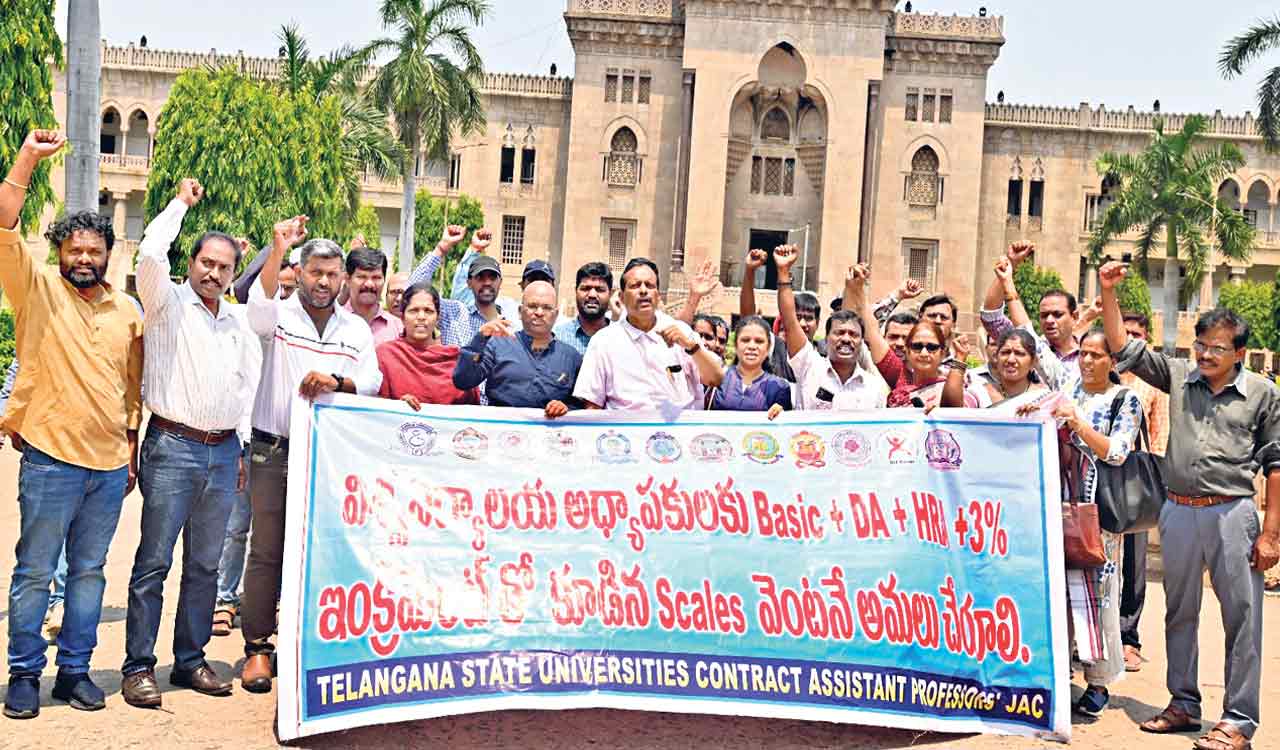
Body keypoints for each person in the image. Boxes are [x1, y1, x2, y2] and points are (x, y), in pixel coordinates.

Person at [1099, 261, 1280, 750]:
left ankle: (1239, 721)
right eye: (1200, 345)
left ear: (1239, 353)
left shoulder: (1262, 393)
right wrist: (1107, 292)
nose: (1204, 354)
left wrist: (1271, 533)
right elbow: (1124, 349)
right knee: (1179, 611)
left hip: (1233, 513)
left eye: (1216, 348)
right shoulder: (1179, 376)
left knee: (1242, 618)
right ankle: (1183, 704)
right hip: (1177, 511)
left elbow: (1277, 463)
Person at [0, 131, 144, 719]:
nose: (83, 259)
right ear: (58, 251)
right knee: (35, 572)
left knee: (88, 574)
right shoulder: (36, 291)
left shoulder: (127, 310)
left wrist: (130, 450)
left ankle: (75, 672)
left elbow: (131, 391)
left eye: (94, 251)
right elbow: (5, 225)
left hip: (108, 470)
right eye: (73, 250)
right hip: (50, 459)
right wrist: (28, 159)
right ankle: (25, 674)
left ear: (110, 253)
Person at [120, 178, 263, 707]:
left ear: (231, 273)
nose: (214, 272)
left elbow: (246, 387)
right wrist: (181, 202)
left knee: (204, 564)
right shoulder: (165, 302)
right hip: (172, 447)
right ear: (192, 262)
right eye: (207, 262)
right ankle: (139, 667)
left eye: (225, 267)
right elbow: (151, 250)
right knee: (154, 560)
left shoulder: (237, 320)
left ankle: (189, 659)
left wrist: (242, 447)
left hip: (224, 452)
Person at [240, 218, 382, 693]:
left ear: (343, 278)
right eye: (315, 272)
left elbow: (372, 382)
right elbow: (255, 306)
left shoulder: (356, 330)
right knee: (267, 551)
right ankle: (259, 648)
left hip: (331, 457)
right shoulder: (277, 315)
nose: (323, 282)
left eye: (332, 274)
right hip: (274, 450)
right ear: (299, 273)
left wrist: (335, 382)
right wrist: (277, 246)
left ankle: (310, 646)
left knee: (323, 551)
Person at [1051, 330, 1141, 716]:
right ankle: (1063, 672)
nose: (1086, 361)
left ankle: (1099, 682)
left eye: (1095, 355)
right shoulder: (1068, 387)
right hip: (1059, 502)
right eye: (1082, 353)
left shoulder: (1125, 399)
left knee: (1099, 594)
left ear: (1113, 361)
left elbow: (1118, 453)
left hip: (1098, 512)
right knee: (1060, 592)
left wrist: (1078, 425)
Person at [574, 258, 720, 412]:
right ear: (622, 297)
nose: (643, 291)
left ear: (658, 295)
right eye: (635, 286)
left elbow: (714, 379)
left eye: (650, 285)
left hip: (679, 431)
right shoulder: (603, 341)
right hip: (625, 432)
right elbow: (592, 405)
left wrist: (691, 347)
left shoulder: (682, 333)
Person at [1116, 310, 1168, 674]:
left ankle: (1128, 638)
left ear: (1145, 340)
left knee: (1134, 564)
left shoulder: (1153, 384)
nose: (1130, 339)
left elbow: (1159, 434)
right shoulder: (1101, 373)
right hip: (1098, 478)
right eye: (1125, 333)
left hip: (1136, 479)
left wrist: (1159, 484)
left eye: (1137, 334)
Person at [453, 281, 582, 417]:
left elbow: (581, 407)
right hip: (500, 432)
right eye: (532, 306)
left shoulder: (571, 357)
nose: (539, 312)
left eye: (546, 308)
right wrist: (479, 339)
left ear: (555, 315)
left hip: (549, 435)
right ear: (520, 312)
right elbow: (463, 381)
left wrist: (565, 407)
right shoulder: (497, 345)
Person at [779, 252, 886, 411]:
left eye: (854, 334)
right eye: (839, 333)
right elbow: (789, 320)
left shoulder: (874, 387)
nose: (846, 339)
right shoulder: (809, 367)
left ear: (862, 341)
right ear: (826, 338)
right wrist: (783, 271)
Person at [981, 243, 1080, 388]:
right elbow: (991, 317)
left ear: (1075, 316)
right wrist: (1010, 265)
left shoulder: (1091, 354)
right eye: (1044, 315)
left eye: (1057, 314)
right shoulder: (1023, 346)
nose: (1050, 320)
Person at [407, 227, 519, 347]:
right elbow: (414, 289)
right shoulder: (454, 314)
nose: (487, 282)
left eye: (492, 277)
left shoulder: (513, 322)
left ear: (500, 282)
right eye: (480, 277)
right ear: (469, 283)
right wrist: (442, 247)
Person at [377, 282, 478, 408]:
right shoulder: (386, 355)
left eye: (428, 311)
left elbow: (471, 411)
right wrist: (397, 406)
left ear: (438, 318)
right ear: (402, 317)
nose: (421, 317)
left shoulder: (455, 360)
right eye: (413, 311)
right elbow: (374, 405)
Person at [737, 248, 824, 381]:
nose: (802, 324)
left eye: (808, 318)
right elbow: (749, 321)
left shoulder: (825, 354)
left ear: (818, 323)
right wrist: (750, 271)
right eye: (797, 317)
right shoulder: (776, 348)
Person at [706, 315, 791, 418]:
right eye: (745, 340)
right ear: (736, 345)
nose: (752, 346)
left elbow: (784, 430)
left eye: (759, 341)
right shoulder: (717, 377)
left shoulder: (779, 388)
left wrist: (782, 415)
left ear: (768, 348)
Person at [343, 247, 404, 345]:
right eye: (362, 277)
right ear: (347, 279)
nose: (369, 284)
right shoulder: (332, 322)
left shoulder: (398, 329)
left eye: (376, 278)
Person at [553, 262, 613, 355]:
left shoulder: (620, 338)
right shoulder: (557, 338)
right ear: (575, 291)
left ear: (610, 294)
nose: (592, 295)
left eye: (599, 289)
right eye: (585, 288)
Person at [980, 328, 1048, 409]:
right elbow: (961, 408)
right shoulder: (981, 393)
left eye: (1019, 353)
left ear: (1032, 362)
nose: (1010, 360)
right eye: (1005, 352)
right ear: (997, 358)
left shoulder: (1045, 398)